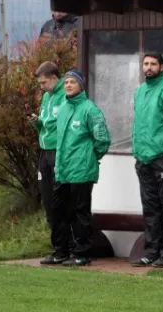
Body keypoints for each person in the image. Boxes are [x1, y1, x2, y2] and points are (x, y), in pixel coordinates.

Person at [40, 69, 111, 266]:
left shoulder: (90, 110)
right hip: (62, 169)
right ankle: (60, 251)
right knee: (58, 211)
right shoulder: (63, 108)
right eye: (66, 83)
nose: (68, 85)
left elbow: (103, 140)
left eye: (72, 82)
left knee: (80, 212)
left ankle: (82, 254)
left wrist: (89, 158)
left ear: (81, 85)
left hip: (81, 170)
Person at [130, 52, 163, 268]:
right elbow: (137, 123)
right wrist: (136, 151)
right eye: (146, 63)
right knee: (150, 208)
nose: (149, 67)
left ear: (162, 67)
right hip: (143, 158)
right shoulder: (140, 91)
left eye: (153, 64)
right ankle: (151, 251)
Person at [29, 62, 66, 232]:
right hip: (44, 150)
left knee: (60, 197)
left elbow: (61, 122)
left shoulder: (66, 93)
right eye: (40, 84)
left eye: (44, 83)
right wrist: (37, 122)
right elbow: (45, 124)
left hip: (59, 150)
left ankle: (66, 241)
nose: (42, 87)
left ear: (54, 78)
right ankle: (55, 240)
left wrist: (44, 123)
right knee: (47, 197)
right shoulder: (46, 97)